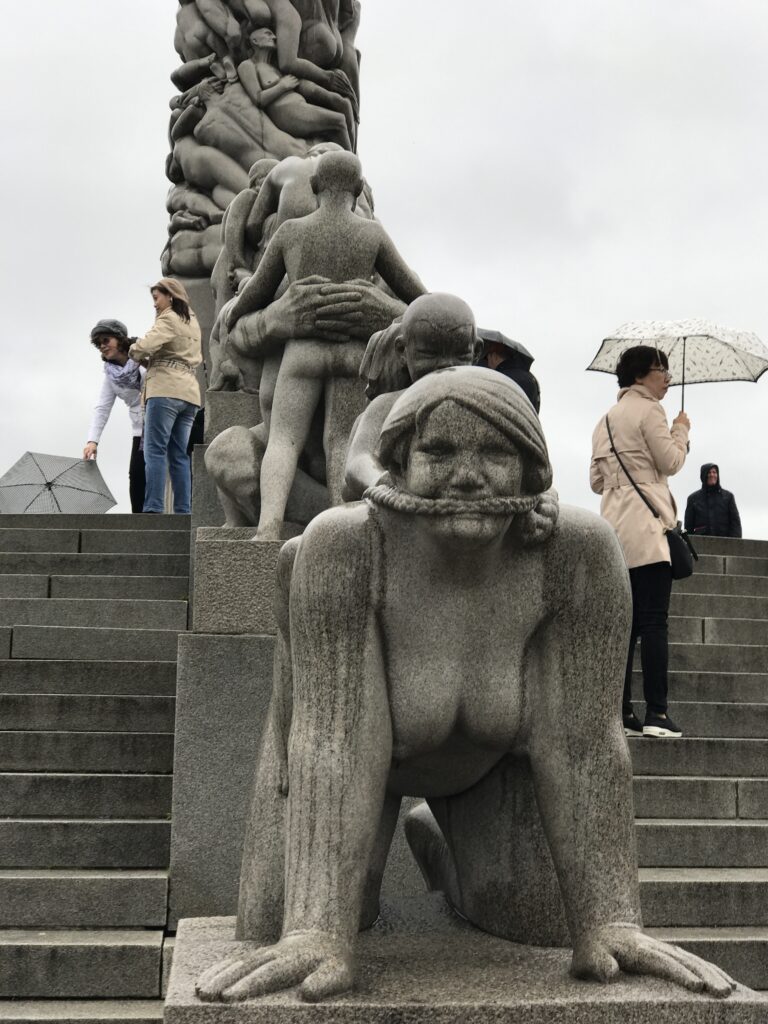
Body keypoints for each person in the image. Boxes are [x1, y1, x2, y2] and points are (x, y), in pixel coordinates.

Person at [196, 366, 733, 1004]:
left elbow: (587, 746)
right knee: (279, 932)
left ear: (533, 468)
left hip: (489, 768)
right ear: (398, 463)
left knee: (547, 926)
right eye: (440, 450)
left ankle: (435, 835)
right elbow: (332, 742)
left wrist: (611, 919)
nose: (469, 474)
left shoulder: (576, 555)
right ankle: (341, 892)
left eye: (496, 453)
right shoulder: (346, 548)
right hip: (328, 760)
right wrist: (317, 929)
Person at [226, 150, 426, 538]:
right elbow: (420, 300)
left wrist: (241, 309)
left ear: (314, 187)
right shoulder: (373, 234)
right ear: (357, 190)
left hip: (303, 353)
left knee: (283, 438)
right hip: (354, 353)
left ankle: (267, 527)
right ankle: (339, 528)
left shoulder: (291, 232)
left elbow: (254, 293)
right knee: (341, 440)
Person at [590, 346, 690, 739]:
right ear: (640, 375)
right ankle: (658, 714)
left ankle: (621, 711)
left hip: (613, 531)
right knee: (653, 622)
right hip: (648, 531)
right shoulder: (651, 410)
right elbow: (671, 462)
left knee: (625, 628)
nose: (667, 377)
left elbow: (596, 482)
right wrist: (681, 431)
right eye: (660, 369)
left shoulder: (606, 420)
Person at [129, 279, 202, 514]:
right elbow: (179, 356)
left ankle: (153, 507)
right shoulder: (192, 321)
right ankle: (183, 510)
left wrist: (133, 349)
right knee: (179, 455)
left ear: (170, 296)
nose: (155, 304)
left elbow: (142, 347)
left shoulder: (168, 318)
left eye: (156, 298)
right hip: (189, 393)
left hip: (165, 392)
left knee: (155, 451)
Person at [83, 319, 146, 514]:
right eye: (98, 343)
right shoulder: (110, 376)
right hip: (140, 429)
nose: (102, 346)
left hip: (162, 421)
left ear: (120, 339)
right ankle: (139, 521)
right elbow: (102, 408)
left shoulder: (142, 358)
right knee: (135, 475)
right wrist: (92, 441)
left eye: (106, 340)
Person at [478, 335, 541, 413]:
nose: (488, 363)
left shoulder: (502, 378)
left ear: (494, 356)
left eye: (487, 358)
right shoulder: (530, 378)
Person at [684, 464, 742, 538]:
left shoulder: (728, 497)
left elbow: (736, 524)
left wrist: (735, 544)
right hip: (700, 544)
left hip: (725, 544)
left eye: (714, 472)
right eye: (709, 472)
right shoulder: (693, 499)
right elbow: (688, 527)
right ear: (703, 475)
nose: (712, 475)